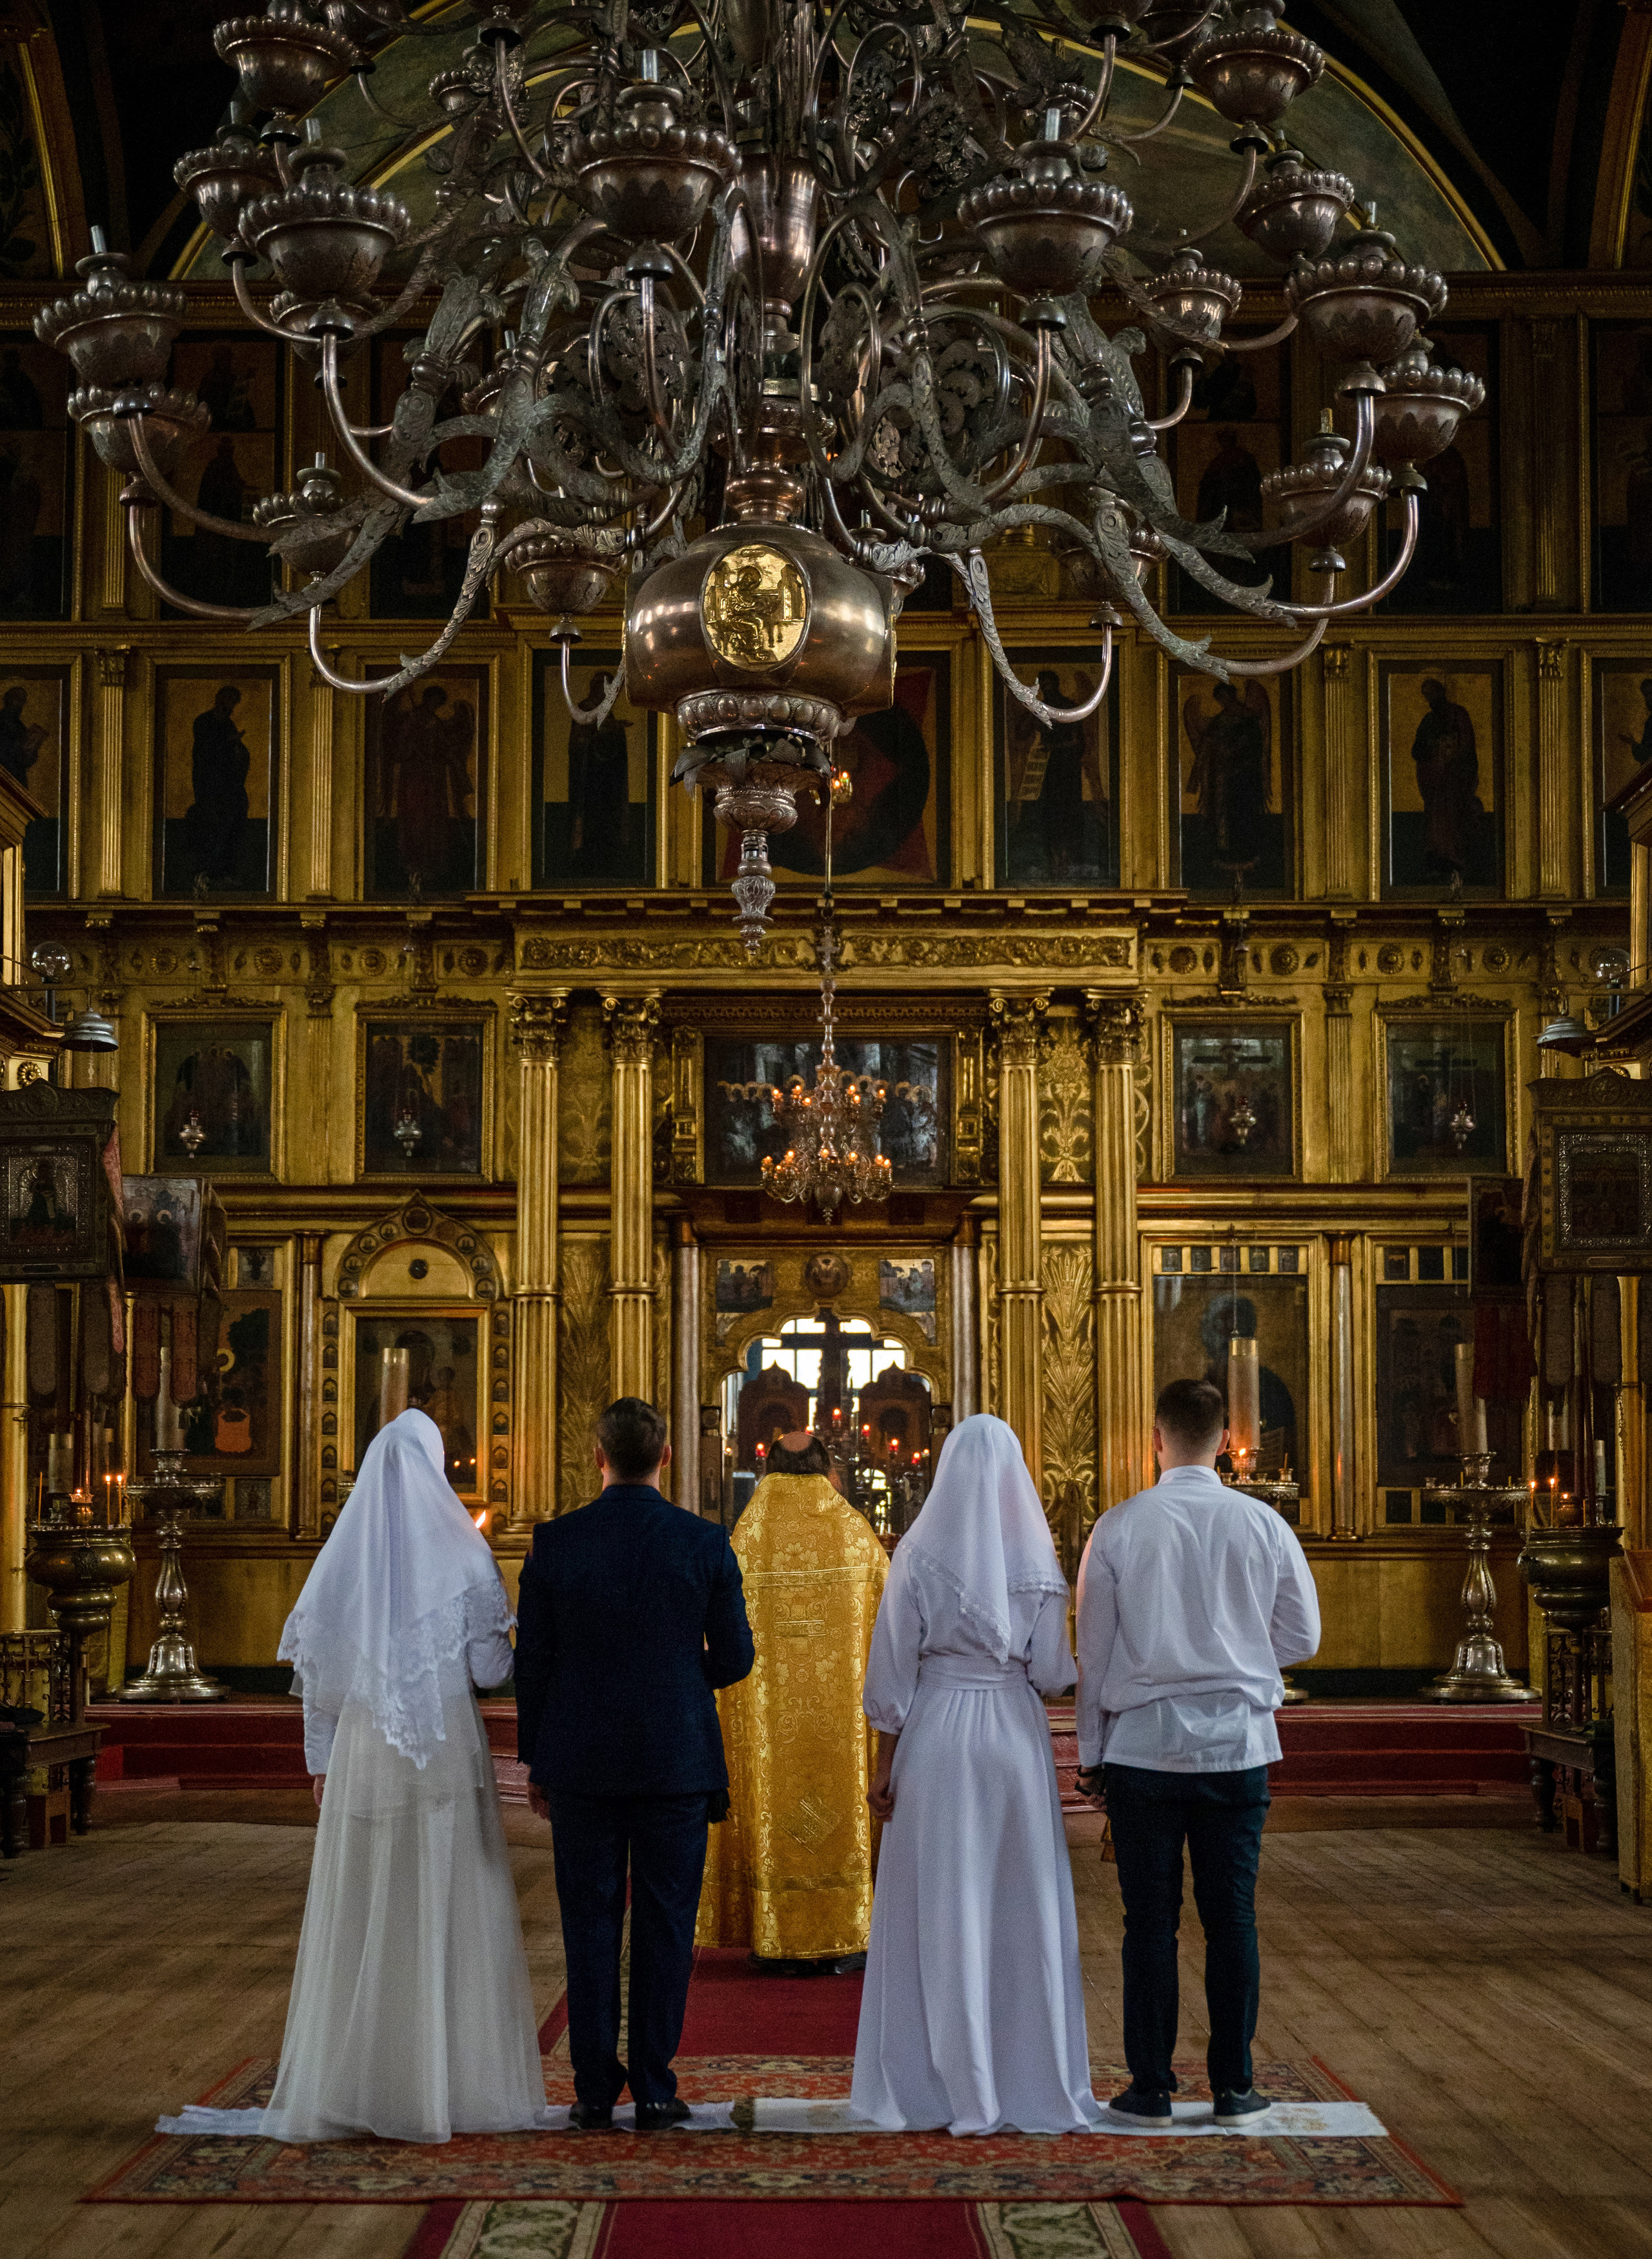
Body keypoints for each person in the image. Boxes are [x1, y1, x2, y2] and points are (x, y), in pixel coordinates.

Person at [156, 1410, 547, 2143]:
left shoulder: (343, 1561)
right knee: (447, 1899)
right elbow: (491, 1671)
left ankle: (363, 2079)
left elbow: (319, 1686)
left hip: (365, 1752)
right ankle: (449, 2082)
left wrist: (321, 1764)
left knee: (369, 1904)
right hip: (444, 1747)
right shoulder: (468, 1556)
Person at [1074, 1376, 1320, 2130]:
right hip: (1236, 1749)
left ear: (1156, 1438)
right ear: (1226, 1441)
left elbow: (1094, 1655)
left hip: (1143, 1751)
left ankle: (1149, 2088)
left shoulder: (1119, 1527)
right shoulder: (1262, 1522)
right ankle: (1234, 2087)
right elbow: (1303, 1636)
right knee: (1231, 1920)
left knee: (1149, 1924)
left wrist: (1092, 1756)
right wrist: (1241, 1656)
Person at [851, 1413, 1100, 2136]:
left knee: (940, 1902)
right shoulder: (1039, 1562)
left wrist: (884, 1766)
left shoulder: (917, 1554)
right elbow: (1052, 1673)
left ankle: (942, 2084)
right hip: (1014, 1739)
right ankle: (1025, 2076)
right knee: (1020, 1903)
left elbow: (892, 1675)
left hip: (936, 1734)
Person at [516, 1397, 754, 2130]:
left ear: (598, 1456)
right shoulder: (703, 1541)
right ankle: (653, 2086)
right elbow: (737, 1657)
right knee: (666, 1923)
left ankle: (593, 2089)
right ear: (666, 1457)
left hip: (580, 1759)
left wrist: (537, 1758)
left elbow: (533, 1663)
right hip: (675, 1759)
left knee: (588, 1922)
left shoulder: (554, 1542)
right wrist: (678, 1679)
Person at [698, 1429, 889, 1973]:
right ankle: (846, 1931)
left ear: (768, 1469)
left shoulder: (747, 1537)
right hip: (841, 1724)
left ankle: (773, 1929)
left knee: (771, 1796)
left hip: (771, 1726)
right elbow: (891, 1625)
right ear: (828, 1468)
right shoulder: (855, 1535)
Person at [1409, 678, 1481, 881]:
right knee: (1435, 820)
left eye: (1433, 693)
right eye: (1427, 696)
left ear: (1442, 692)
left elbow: (1467, 746)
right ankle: (1438, 860)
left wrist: (1452, 758)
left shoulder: (1458, 715)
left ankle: (1455, 860)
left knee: (1453, 818)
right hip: (1434, 781)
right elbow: (1417, 750)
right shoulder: (1428, 720)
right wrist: (1432, 749)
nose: (1431, 699)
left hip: (1455, 778)